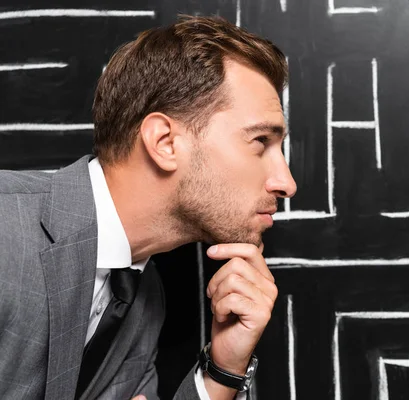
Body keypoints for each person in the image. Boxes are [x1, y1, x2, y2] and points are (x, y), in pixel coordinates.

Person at [0, 15, 296, 400]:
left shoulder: (143, 297)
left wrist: (223, 370)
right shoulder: (6, 229)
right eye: (260, 141)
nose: (286, 183)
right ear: (165, 143)